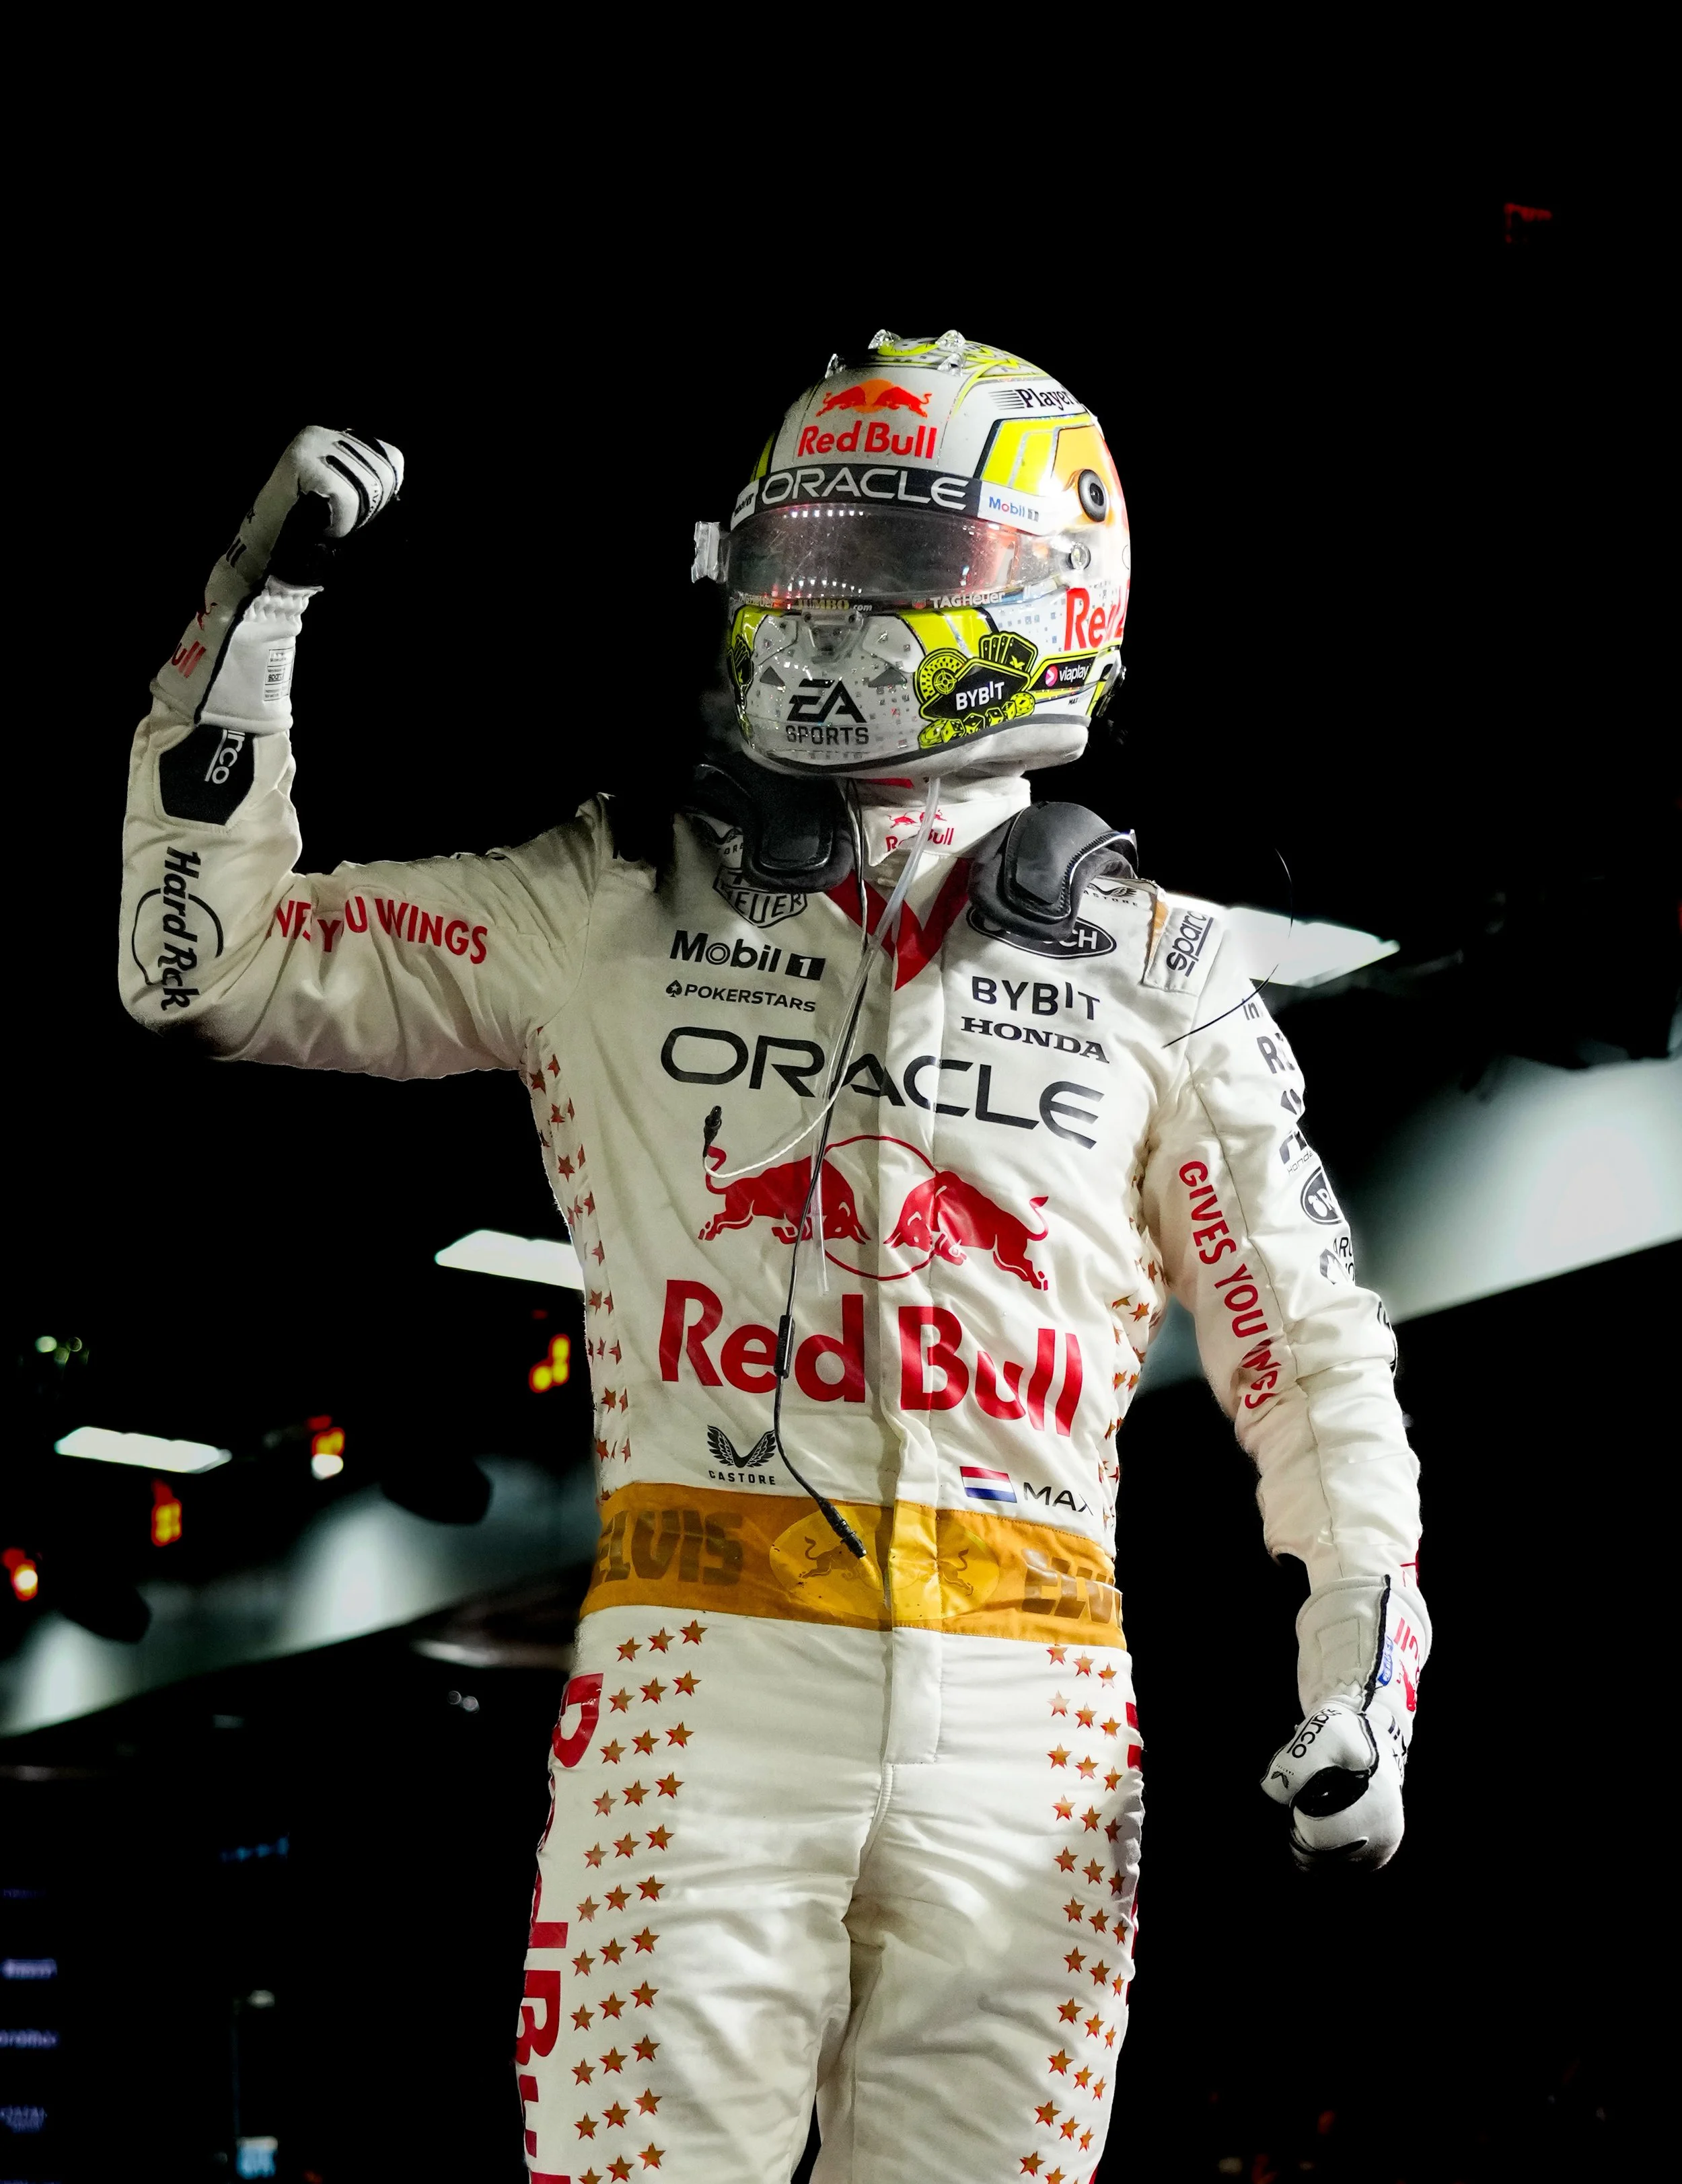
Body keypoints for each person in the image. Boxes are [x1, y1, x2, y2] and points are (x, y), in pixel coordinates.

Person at [120, 335, 1428, 2184]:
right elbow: (206, 969)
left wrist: (1362, 1673)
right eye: (793, 556)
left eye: (887, 564)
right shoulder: (605, 895)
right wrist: (251, 622)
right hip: (703, 1689)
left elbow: (1312, 1353)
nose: (821, 610)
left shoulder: (1166, 969)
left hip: (1039, 1725)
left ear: (1054, 589)